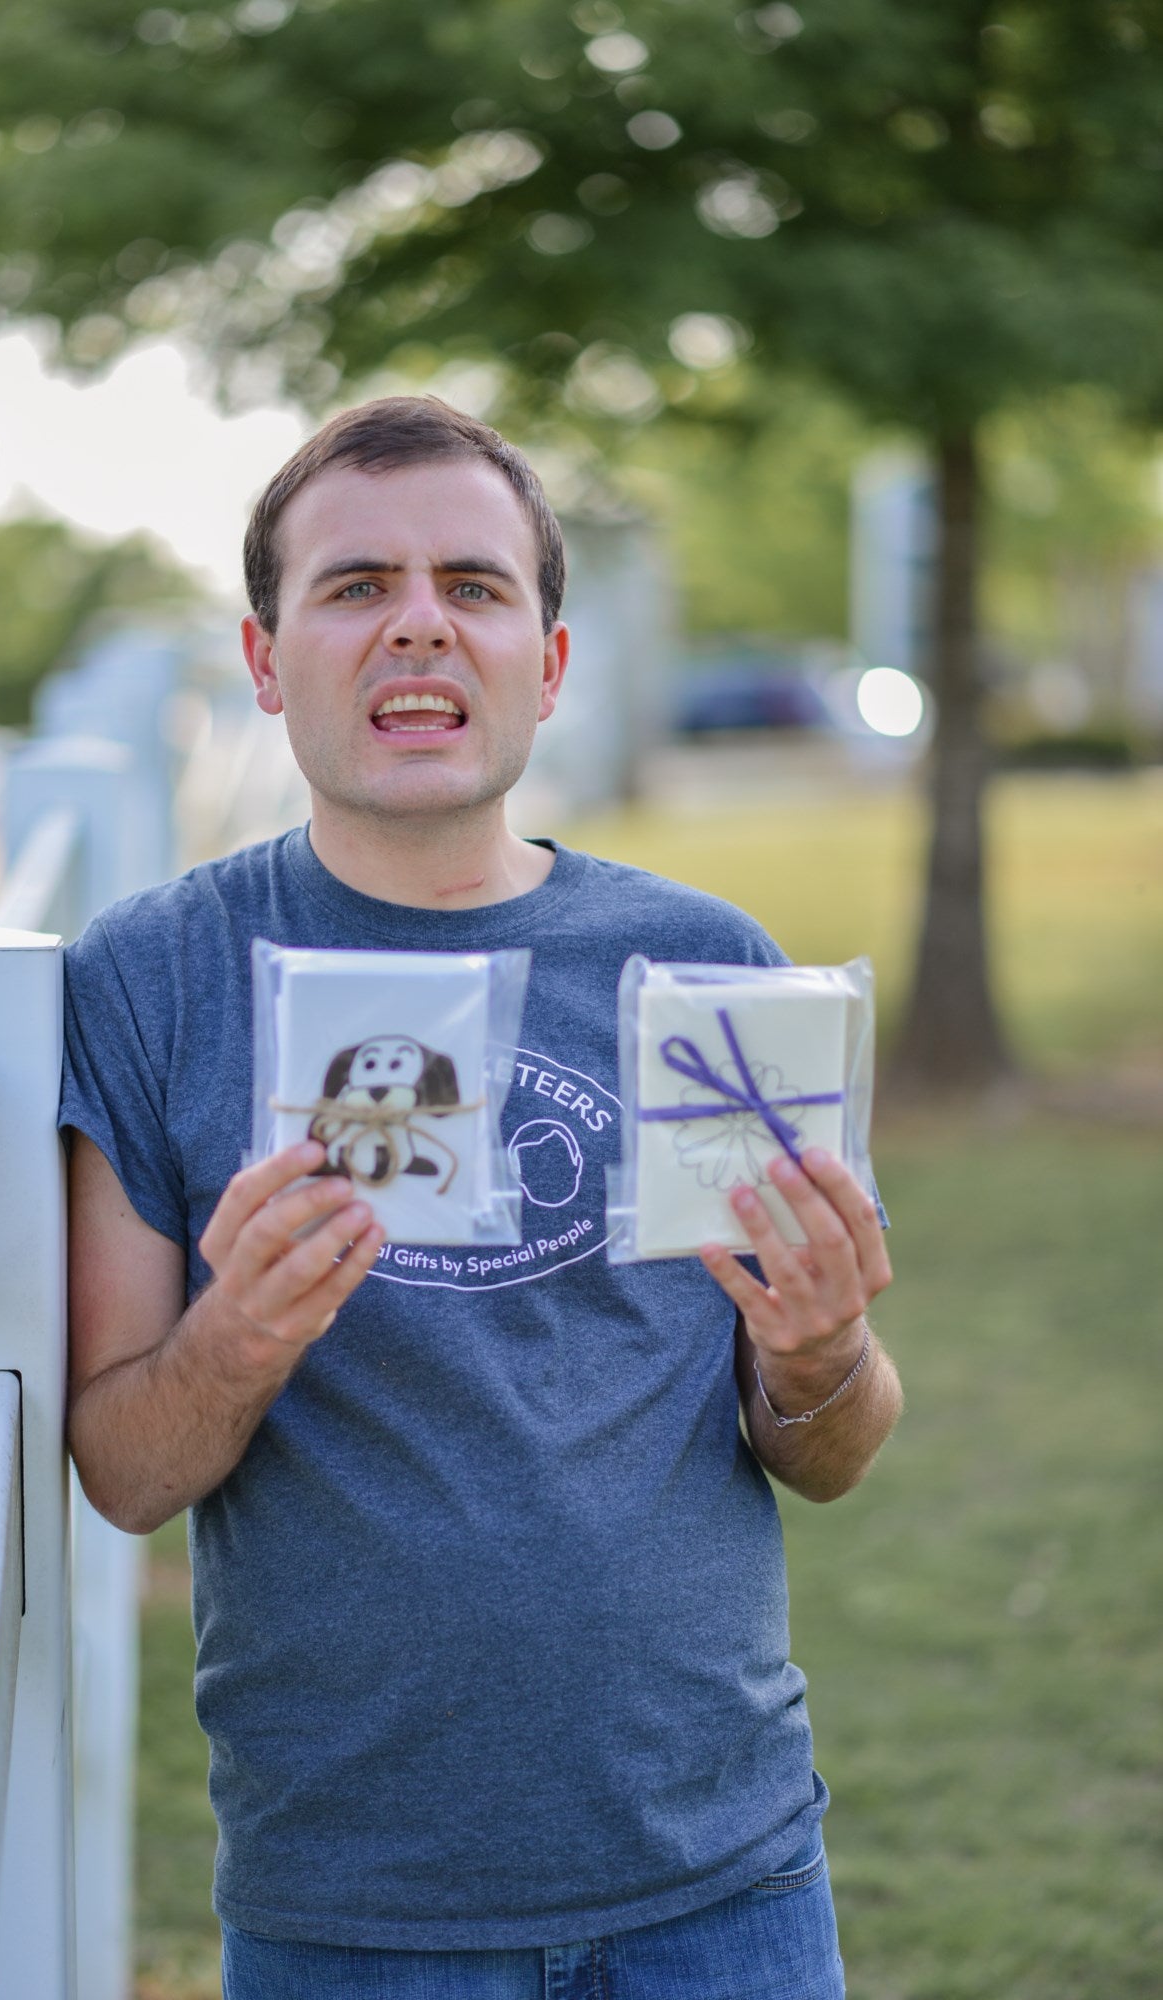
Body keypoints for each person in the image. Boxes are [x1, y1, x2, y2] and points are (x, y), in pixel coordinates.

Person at [61, 396, 902, 1999]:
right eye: (356, 586)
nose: (419, 626)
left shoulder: (707, 966)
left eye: (474, 583)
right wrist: (236, 1340)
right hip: (353, 1909)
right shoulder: (153, 980)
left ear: (550, 663)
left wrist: (819, 1362)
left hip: (720, 1879)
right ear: (262, 660)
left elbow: (837, 1452)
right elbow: (122, 1469)